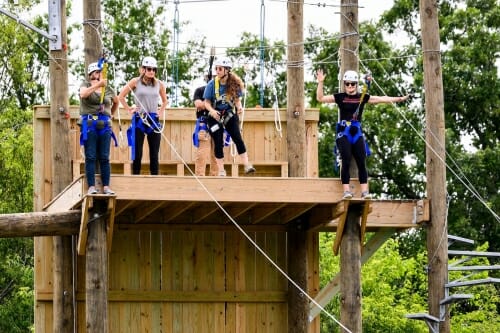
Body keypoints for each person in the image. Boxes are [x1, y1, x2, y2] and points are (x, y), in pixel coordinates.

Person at [316, 68, 410, 199]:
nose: (350, 86)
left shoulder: (362, 97)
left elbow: (381, 99)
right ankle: (346, 191)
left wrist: (399, 99)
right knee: (346, 161)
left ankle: (365, 192)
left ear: (356, 84)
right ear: (344, 84)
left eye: (352, 84)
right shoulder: (340, 97)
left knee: (361, 162)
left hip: (357, 132)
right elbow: (320, 98)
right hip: (344, 133)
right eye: (347, 84)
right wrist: (320, 82)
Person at [203, 56, 255, 176]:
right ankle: (221, 170)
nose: (217, 71)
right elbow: (206, 102)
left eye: (220, 69)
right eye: (216, 68)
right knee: (218, 141)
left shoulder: (234, 84)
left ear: (227, 70)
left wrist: (239, 107)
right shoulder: (212, 84)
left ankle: (247, 165)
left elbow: (236, 100)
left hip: (229, 114)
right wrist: (212, 111)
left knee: (237, 138)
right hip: (214, 115)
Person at [118, 56, 168, 175]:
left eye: (154, 69)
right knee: (137, 152)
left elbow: (165, 101)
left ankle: (154, 178)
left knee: (154, 153)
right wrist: (129, 109)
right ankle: (135, 178)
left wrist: (160, 112)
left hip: (153, 120)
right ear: (143, 69)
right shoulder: (135, 82)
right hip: (140, 119)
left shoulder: (159, 84)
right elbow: (121, 96)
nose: (151, 71)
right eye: (149, 69)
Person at [79, 61, 119, 195]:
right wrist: (97, 85)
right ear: (91, 74)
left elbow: (116, 101)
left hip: (105, 125)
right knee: (90, 156)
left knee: (104, 157)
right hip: (90, 124)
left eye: (100, 73)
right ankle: (91, 186)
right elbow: (83, 94)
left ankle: (106, 186)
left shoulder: (107, 89)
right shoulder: (86, 85)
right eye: (96, 72)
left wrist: (110, 114)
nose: (98, 75)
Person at [193, 70, 218, 176]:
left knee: (217, 154)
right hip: (204, 124)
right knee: (202, 153)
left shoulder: (222, 92)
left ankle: (215, 177)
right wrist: (211, 102)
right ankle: (200, 176)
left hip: (217, 124)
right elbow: (198, 105)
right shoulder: (200, 90)